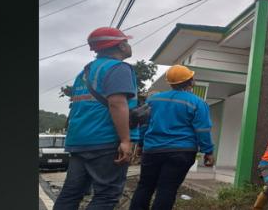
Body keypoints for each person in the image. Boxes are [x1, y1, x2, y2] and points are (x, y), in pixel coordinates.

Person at [54, 27, 139, 210]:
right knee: (106, 195)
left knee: (71, 194)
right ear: (121, 45)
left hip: (79, 141)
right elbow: (117, 103)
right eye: (126, 41)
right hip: (105, 142)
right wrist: (125, 140)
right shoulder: (118, 68)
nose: (128, 44)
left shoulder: (84, 73)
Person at [129, 65, 214, 210]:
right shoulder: (197, 102)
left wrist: (141, 145)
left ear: (171, 83)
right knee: (167, 189)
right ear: (191, 81)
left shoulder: (154, 100)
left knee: (145, 186)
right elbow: (203, 129)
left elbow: (144, 125)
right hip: (181, 152)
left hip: (152, 150)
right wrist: (208, 151)